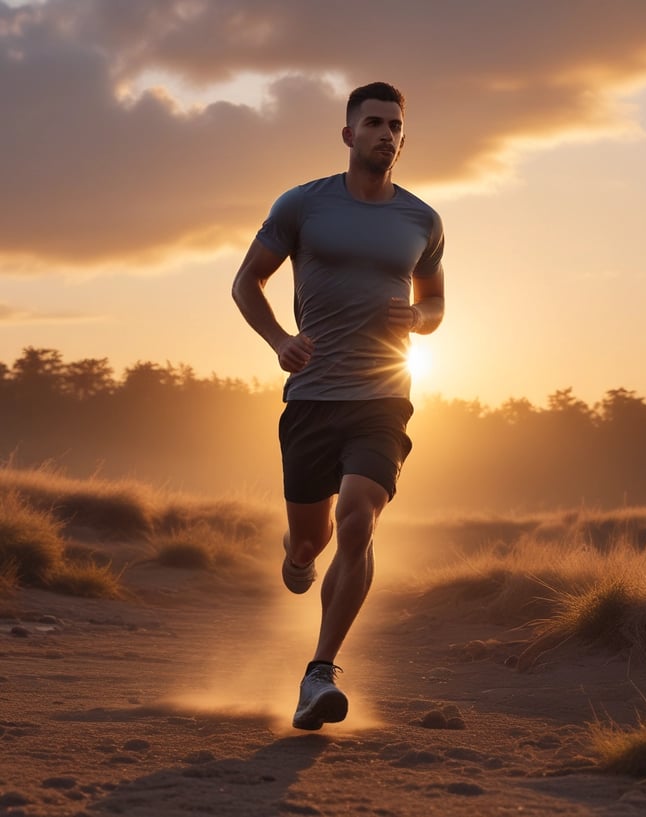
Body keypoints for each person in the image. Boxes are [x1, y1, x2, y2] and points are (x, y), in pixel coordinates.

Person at [231, 81, 445, 730]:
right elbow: (247, 281)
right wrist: (279, 339)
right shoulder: (303, 205)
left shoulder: (422, 220)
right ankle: (298, 556)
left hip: (383, 396)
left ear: (403, 140)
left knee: (358, 521)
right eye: (373, 122)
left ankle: (318, 671)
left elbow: (435, 305)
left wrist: (418, 317)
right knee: (313, 536)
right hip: (311, 398)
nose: (384, 133)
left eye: (394, 125)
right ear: (348, 134)